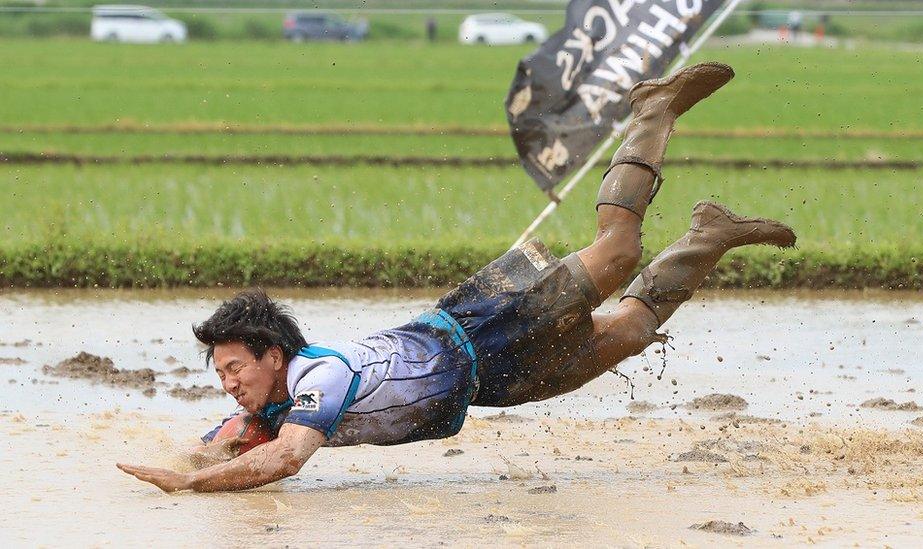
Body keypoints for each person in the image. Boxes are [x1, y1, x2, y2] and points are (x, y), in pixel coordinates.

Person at [117, 62, 796, 492]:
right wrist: (176, 466)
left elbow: (284, 461)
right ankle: (709, 233)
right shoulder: (263, 410)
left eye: (235, 367)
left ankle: (652, 110)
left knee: (617, 250)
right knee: (631, 329)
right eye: (221, 375)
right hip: (484, 382)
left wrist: (188, 488)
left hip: (480, 325)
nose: (228, 383)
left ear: (272, 354)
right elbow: (221, 448)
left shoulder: (315, 379)